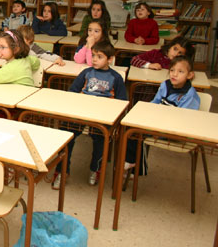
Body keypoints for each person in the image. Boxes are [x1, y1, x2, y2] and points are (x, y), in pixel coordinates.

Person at [51, 40, 127, 190]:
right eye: (93, 56)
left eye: (100, 57)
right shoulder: (86, 72)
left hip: (101, 116)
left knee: (101, 141)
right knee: (66, 136)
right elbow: (73, 91)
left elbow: (122, 102)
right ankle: (62, 171)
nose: (94, 60)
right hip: (81, 112)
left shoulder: (116, 78)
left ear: (110, 59)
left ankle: (95, 169)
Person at [124, 55, 200, 174]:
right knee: (130, 126)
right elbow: (155, 103)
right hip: (160, 123)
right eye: (172, 70)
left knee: (138, 133)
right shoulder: (165, 85)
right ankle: (131, 161)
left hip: (176, 130)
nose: (174, 74)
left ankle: (137, 168)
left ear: (190, 75)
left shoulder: (189, 94)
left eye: (180, 71)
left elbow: (183, 118)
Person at [130, 36, 195, 69]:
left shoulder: (182, 63)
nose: (176, 54)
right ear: (170, 47)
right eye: (175, 49)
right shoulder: (155, 53)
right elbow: (134, 59)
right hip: (148, 87)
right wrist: (149, 65)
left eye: (180, 53)